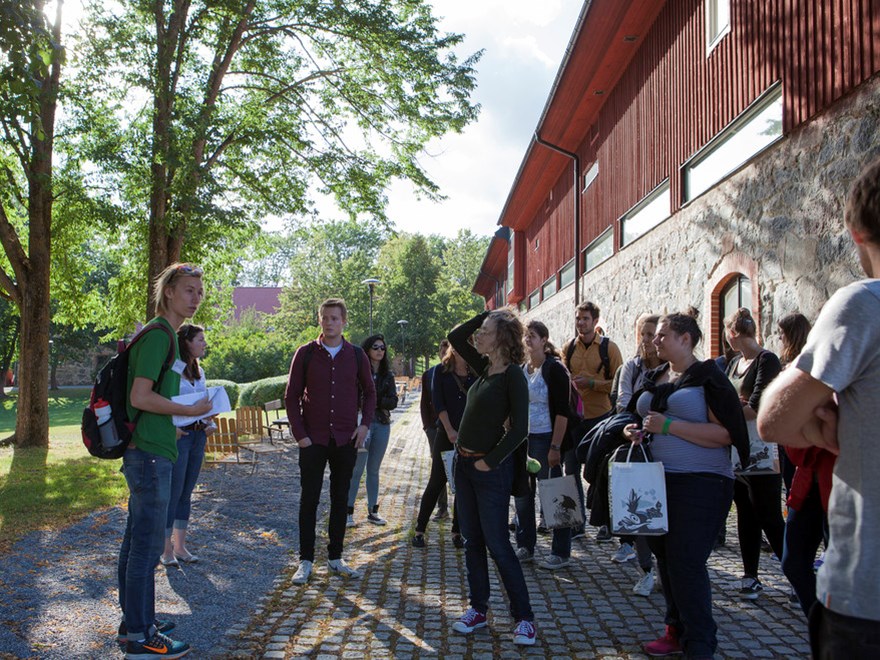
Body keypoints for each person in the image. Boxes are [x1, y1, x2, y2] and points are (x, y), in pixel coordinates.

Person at [758, 157, 880, 657]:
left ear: (854, 232)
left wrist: (825, 426)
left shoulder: (863, 305)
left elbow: (774, 420)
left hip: (866, 598)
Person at [623, 311, 748, 658]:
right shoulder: (656, 375)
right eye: (655, 336)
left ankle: (701, 642)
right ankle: (674, 630)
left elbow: (725, 434)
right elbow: (639, 417)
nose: (655, 340)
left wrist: (668, 427)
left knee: (686, 561)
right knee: (665, 557)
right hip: (657, 481)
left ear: (686, 339)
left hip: (702, 483)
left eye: (663, 335)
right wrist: (631, 430)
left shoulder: (708, 378)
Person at [118, 263, 214, 659]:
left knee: (135, 543)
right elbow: (140, 397)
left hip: (154, 449)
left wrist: (176, 420)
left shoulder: (168, 339)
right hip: (149, 456)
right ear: (169, 292)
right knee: (144, 548)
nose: (196, 297)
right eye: (189, 290)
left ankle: (136, 623)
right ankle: (141, 636)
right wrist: (186, 412)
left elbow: (148, 400)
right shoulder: (159, 335)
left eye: (200, 291)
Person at [447, 309, 536, 647]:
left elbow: (521, 431)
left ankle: (524, 618)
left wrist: (491, 461)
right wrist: (488, 313)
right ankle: (478, 609)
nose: (477, 336)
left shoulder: (513, 376)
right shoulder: (484, 368)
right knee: (472, 541)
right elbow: (456, 336)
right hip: (464, 467)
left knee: (498, 544)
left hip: (490, 473)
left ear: (501, 337)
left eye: (485, 331)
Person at [284, 298, 376, 585]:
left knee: (340, 499)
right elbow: (292, 396)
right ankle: (306, 560)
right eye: (325, 317)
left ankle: (335, 557)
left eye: (334, 318)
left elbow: (370, 393)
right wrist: (301, 436)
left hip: (345, 438)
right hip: (313, 440)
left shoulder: (357, 355)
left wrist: (364, 426)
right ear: (319, 320)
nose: (329, 322)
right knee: (309, 499)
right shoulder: (306, 354)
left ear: (344, 321)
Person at [723, 307, 784, 600]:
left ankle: (797, 573)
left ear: (733, 334)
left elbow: (758, 405)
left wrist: (735, 408)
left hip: (761, 447)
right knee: (745, 513)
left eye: (726, 333)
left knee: (769, 514)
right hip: (737, 448)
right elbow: (724, 400)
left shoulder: (766, 360)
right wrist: (737, 407)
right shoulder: (734, 363)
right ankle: (750, 576)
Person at [513, 320, 574, 570]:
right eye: (525, 336)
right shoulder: (520, 369)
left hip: (547, 438)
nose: (528, 340)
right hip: (523, 439)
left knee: (555, 494)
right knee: (522, 495)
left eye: (533, 336)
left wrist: (555, 447)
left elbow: (562, 412)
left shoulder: (555, 370)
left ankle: (561, 551)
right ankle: (525, 545)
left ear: (544, 340)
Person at [563, 301, 623, 541]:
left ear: (595, 321)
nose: (581, 323)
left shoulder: (610, 348)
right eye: (578, 318)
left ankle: (606, 523)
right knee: (571, 469)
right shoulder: (568, 348)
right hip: (575, 418)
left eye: (585, 318)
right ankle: (576, 523)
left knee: (601, 471)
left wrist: (592, 384)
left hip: (601, 417)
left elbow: (618, 384)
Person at [613, 313, 663, 597]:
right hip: (640, 446)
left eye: (653, 334)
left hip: (668, 447)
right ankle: (646, 570)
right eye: (643, 334)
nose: (648, 340)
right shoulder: (631, 367)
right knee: (641, 511)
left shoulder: (672, 368)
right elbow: (622, 404)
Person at [160, 324, 212, 567]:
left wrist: (207, 421)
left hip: (198, 435)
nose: (204, 344)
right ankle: (166, 549)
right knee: (173, 492)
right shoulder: (173, 368)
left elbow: (201, 400)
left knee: (186, 492)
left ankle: (181, 547)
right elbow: (165, 399)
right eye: (199, 339)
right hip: (180, 437)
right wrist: (172, 428)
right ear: (186, 342)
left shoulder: (198, 369)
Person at [412, 343, 472, 548]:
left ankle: (457, 531)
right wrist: (449, 430)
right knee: (437, 480)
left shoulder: (476, 371)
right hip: (446, 434)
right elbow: (438, 404)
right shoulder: (440, 371)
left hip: (470, 436)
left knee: (463, 483)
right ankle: (420, 530)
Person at [346, 333, 398, 526]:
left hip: (382, 425)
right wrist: (374, 402)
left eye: (382, 348)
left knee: (374, 470)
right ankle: (348, 512)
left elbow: (393, 402)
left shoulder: (388, 375)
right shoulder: (357, 372)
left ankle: (373, 511)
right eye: (375, 347)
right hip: (362, 426)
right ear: (367, 350)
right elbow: (354, 399)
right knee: (356, 470)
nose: (380, 351)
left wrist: (373, 401)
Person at [419, 339, 450, 519]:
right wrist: (427, 426)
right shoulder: (429, 374)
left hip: (454, 428)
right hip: (434, 428)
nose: (443, 351)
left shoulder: (461, 372)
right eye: (441, 348)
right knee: (438, 468)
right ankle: (442, 507)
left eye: (447, 348)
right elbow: (425, 402)